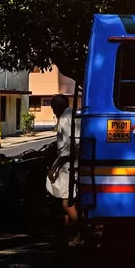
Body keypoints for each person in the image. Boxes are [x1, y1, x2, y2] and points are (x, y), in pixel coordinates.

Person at [45, 95, 80, 246]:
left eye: (53, 108)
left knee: (67, 202)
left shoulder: (65, 119)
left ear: (59, 106)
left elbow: (67, 148)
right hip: (72, 163)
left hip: (67, 164)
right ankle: (69, 234)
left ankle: (81, 232)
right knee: (66, 199)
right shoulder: (72, 116)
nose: (53, 111)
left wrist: (53, 168)